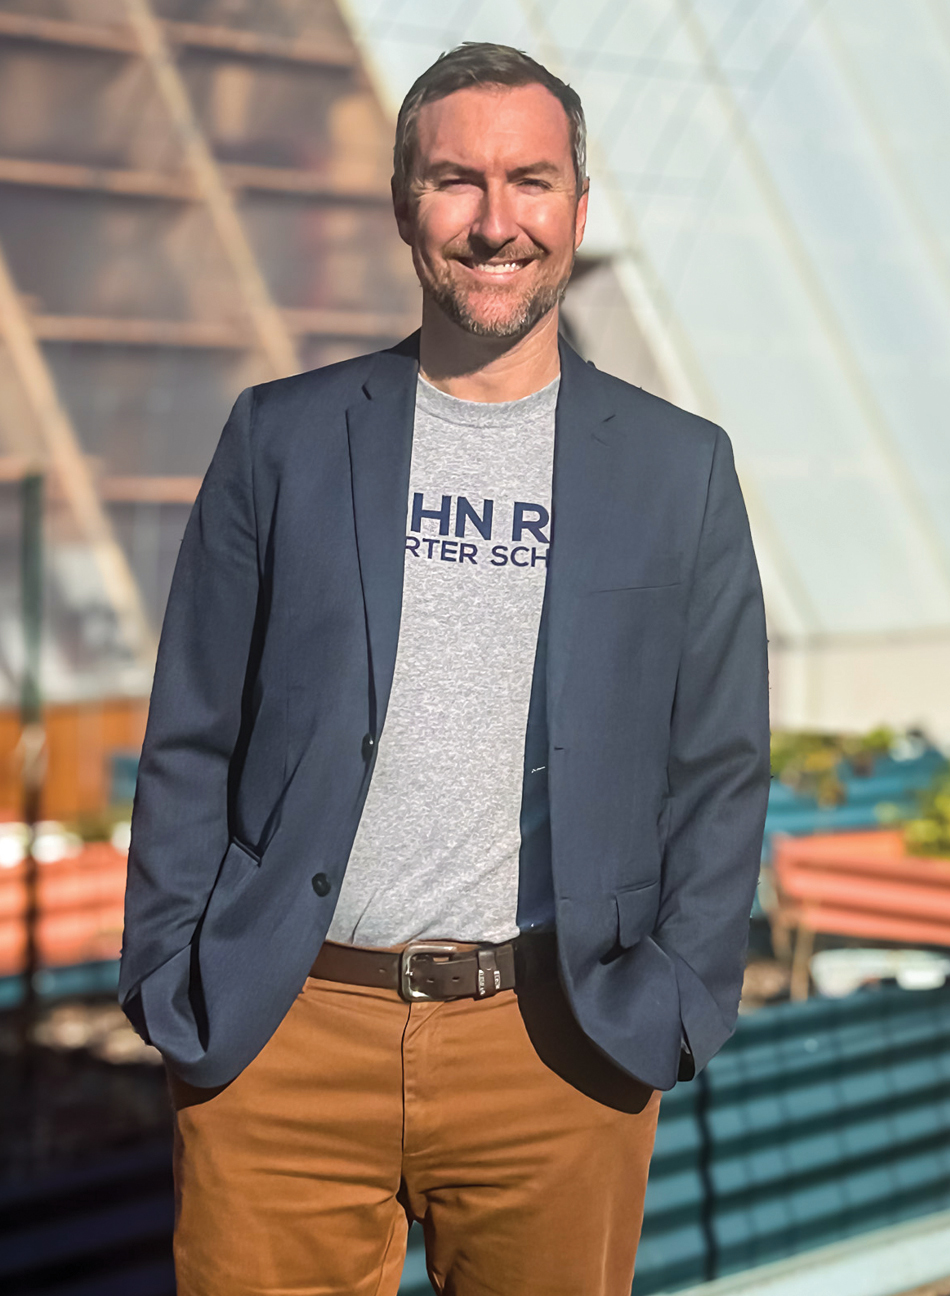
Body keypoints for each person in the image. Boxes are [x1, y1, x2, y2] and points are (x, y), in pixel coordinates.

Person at [119, 41, 770, 1296]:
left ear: (578, 205)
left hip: (557, 1047)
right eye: (453, 181)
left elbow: (719, 763)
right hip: (284, 1037)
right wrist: (171, 976)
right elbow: (192, 727)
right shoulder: (282, 437)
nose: (492, 222)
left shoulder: (676, 468)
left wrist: (675, 1005)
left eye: (529, 179)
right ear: (401, 205)